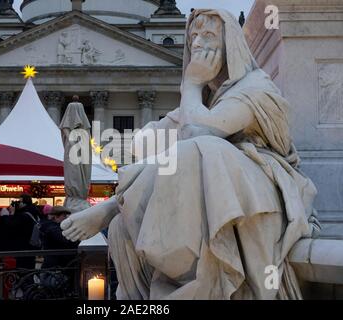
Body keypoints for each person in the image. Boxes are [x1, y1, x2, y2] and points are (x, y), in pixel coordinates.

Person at [61, 9, 320, 300]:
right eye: (193, 36)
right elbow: (143, 145)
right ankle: (121, 231)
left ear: (230, 44)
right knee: (124, 227)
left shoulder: (256, 89)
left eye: (208, 35)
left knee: (203, 149)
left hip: (266, 187)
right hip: (221, 183)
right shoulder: (210, 98)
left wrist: (192, 85)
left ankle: (110, 208)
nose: (196, 43)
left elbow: (200, 134)